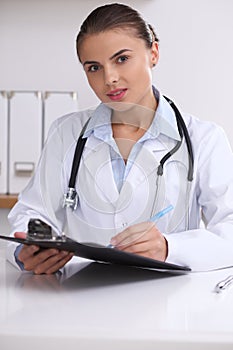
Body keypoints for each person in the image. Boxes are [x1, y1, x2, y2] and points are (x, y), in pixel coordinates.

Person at [6, 3, 233, 274]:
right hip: (82, 301)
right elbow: (30, 215)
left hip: (170, 305)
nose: (109, 78)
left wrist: (169, 248)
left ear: (153, 53)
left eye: (122, 59)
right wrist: (26, 253)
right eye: (93, 67)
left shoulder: (204, 139)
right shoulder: (67, 133)